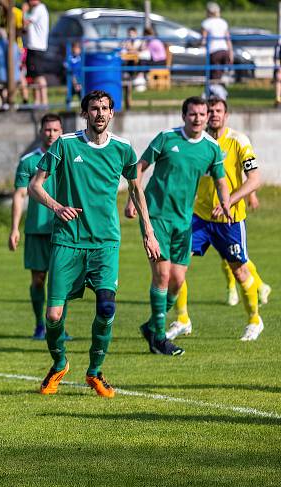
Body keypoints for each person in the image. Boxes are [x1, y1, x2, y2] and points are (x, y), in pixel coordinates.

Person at [28, 90, 160, 398]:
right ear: (85, 113)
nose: (99, 113)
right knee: (54, 316)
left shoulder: (123, 149)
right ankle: (59, 363)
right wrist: (56, 206)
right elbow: (35, 186)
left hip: (105, 243)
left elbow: (136, 190)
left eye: (104, 108)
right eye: (93, 109)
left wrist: (148, 232)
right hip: (67, 241)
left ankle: (95, 371)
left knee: (106, 307)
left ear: (112, 113)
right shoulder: (65, 144)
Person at [124, 96, 232, 356]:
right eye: (192, 114)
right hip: (156, 216)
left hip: (184, 221)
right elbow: (139, 167)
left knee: (178, 280)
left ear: (208, 117)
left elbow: (220, 181)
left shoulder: (211, 147)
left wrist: (226, 203)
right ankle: (159, 338)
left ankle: (151, 326)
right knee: (161, 275)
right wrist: (131, 199)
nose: (198, 118)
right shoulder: (166, 138)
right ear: (184, 116)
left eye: (202, 114)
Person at [165, 96, 269, 342]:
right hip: (199, 217)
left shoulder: (238, 141)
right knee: (175, 268)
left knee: (240, 271)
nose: (212, 115)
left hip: (230, 220)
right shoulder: (196, 142)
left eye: (218, 111)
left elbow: (254, 179)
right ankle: (182, 319)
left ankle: (255, 320)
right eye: (209, 110)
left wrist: (228, 202)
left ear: (226, 115)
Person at [10, 113, 65, 340]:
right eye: (47, 130)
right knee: (38, 280)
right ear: (41, 132)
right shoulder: (29, 161)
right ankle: (39, 325)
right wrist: (15, 228)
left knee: (61, 281)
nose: (51, 134)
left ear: (61, 132)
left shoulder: (68, 157)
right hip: (35, 230)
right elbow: (20, 194)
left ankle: (59, 327)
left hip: (62, 230)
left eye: (55, 130)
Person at [23, 0, 49, 107]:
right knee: (34, 77)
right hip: (35, 48)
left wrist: (24, 11)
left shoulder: (39, 9)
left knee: (39, 76)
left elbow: (25, 23)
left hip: (36, 48)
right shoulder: (37, 9)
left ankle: (44, 102)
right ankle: (37, 102)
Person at [201, 2, 232, 83]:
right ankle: (219, 91)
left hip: (214, 51)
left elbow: (203, 40)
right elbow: (228, 39)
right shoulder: (223, 22)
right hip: (224, 50)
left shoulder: (206, 23)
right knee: (221, 74)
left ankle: (214, 93)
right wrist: (231, 53)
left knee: (214, 76)